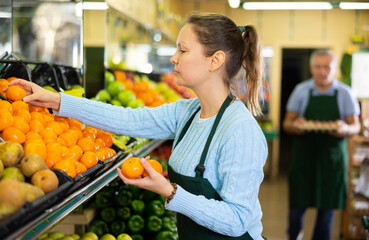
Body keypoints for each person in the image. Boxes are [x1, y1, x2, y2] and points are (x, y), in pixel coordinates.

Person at [9, 12, 268, 240]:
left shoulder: (239, 131)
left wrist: (170, 191)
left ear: (215, 60)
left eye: (183, 50)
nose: (173, 59)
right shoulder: (188, 112)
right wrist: (57, 99)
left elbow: (237, 220)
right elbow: (126, 119)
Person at [283, 49, 361, 240]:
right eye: (318, 67)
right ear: (311, 68)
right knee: (296, 210)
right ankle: (294, 236)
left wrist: (344, 129)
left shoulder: (345, 93)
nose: (322, 71)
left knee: (326, 214)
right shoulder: (301, 90)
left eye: (327, 67)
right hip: (304, 159)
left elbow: (355, 126)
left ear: (334, 69)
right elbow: (287, 123)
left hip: (331, 160)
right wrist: (296, 126)